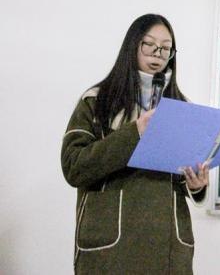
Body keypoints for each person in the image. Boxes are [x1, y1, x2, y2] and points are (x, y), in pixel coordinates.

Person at [61, 14, 209, 274]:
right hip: (112, 248)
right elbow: (74, 167)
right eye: (149, 44)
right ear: (132, 46)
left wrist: (196, 185)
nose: (157, 54)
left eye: (166, 48)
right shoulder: (96, 100)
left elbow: (182, 172)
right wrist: (135, 132)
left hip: (168, 248)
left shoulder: (182, 107)